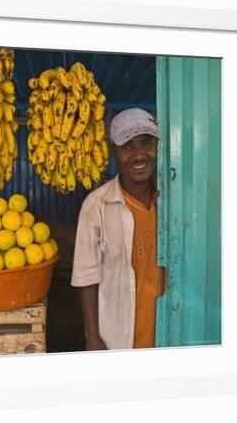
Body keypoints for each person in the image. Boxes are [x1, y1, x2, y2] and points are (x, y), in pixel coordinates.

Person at [71, 108, 166, 350]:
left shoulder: (170, 200)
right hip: (119, 335)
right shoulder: (96, 205)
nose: (139, 155)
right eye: (127, 147)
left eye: (147, 143)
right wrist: (92, 338)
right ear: (114, 151)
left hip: (167, 330)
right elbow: (86, 277)